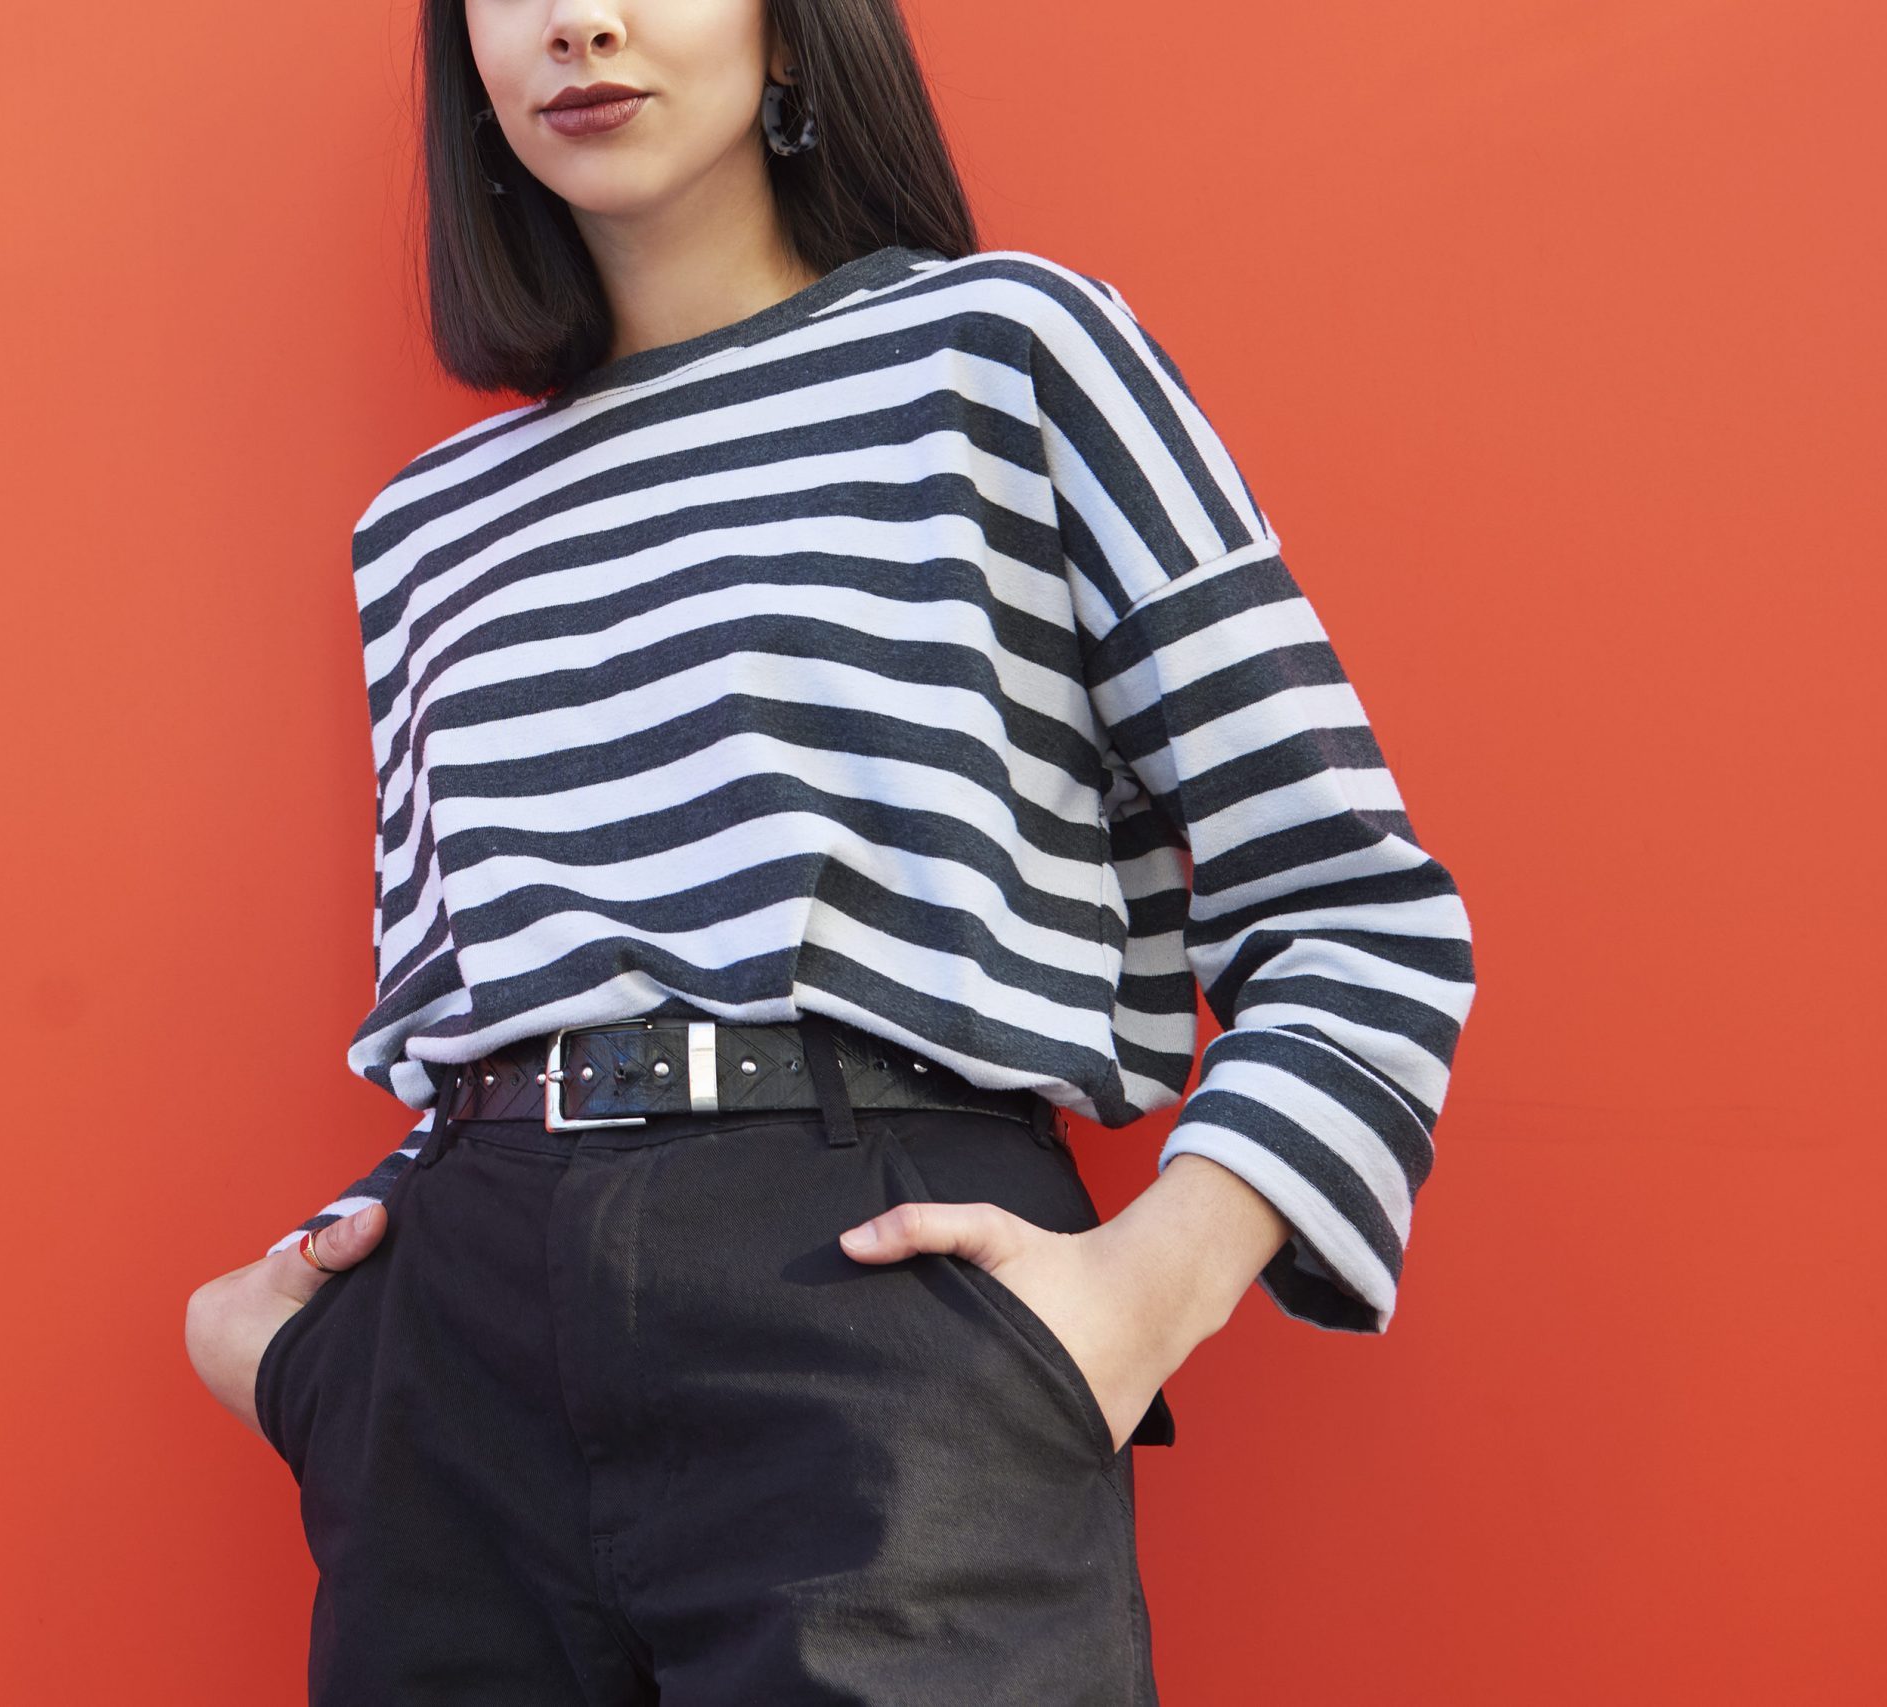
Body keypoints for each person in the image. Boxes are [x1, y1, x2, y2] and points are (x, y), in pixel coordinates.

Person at [186, 1, 1478, 1700]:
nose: (582, 20)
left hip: (882, 1324)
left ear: (793, 36)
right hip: (458, 1382)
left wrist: (1141, 1297)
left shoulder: (1007, 352)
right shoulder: (432, 522)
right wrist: (298, 1349)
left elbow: (1354, 913)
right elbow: (490, 1008)